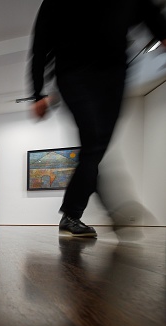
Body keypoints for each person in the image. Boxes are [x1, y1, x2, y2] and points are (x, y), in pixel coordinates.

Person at [29, 0, 166, 238]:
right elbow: (40, 43)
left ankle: (90, 211)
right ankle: (75, 213)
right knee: (93, 142)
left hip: (114, 74)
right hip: (72, 73)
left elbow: (148, 12)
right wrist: (36, 93)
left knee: (97, 146)